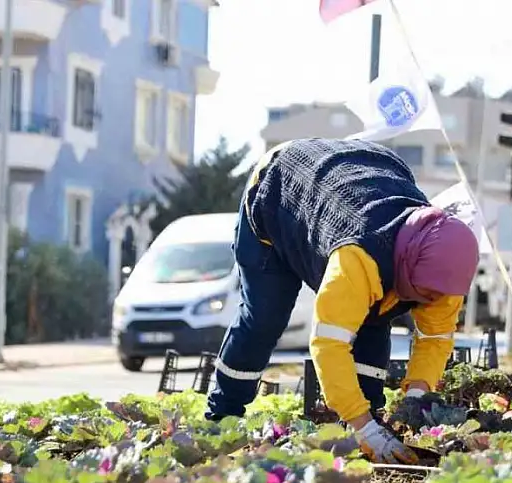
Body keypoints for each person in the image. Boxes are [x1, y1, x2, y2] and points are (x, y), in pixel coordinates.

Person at [205, 138, 480, 463]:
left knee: (374, 319)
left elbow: (434, 339)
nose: (432, 301)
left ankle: (363, 424)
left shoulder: (445, 272)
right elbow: (328, 345)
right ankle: (221, 419)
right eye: (426, 293)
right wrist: (364, 427)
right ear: (408, 264)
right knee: (265, 318)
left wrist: (416, 399)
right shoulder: (358, 258)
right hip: (279, 189)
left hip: (367, 171)